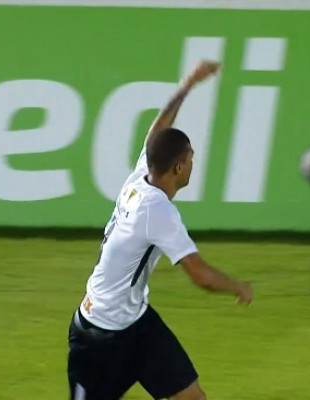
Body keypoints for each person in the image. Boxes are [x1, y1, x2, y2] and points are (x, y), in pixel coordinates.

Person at [67, 60, 254, 400]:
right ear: (179, 166)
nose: (193, 165)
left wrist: (186, 87)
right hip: (99, 337)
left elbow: (158, 131)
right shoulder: (157, 211)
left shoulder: (143, 174)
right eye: (191, 159)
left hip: (137, 324)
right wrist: (237, 286)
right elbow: (200, 276)